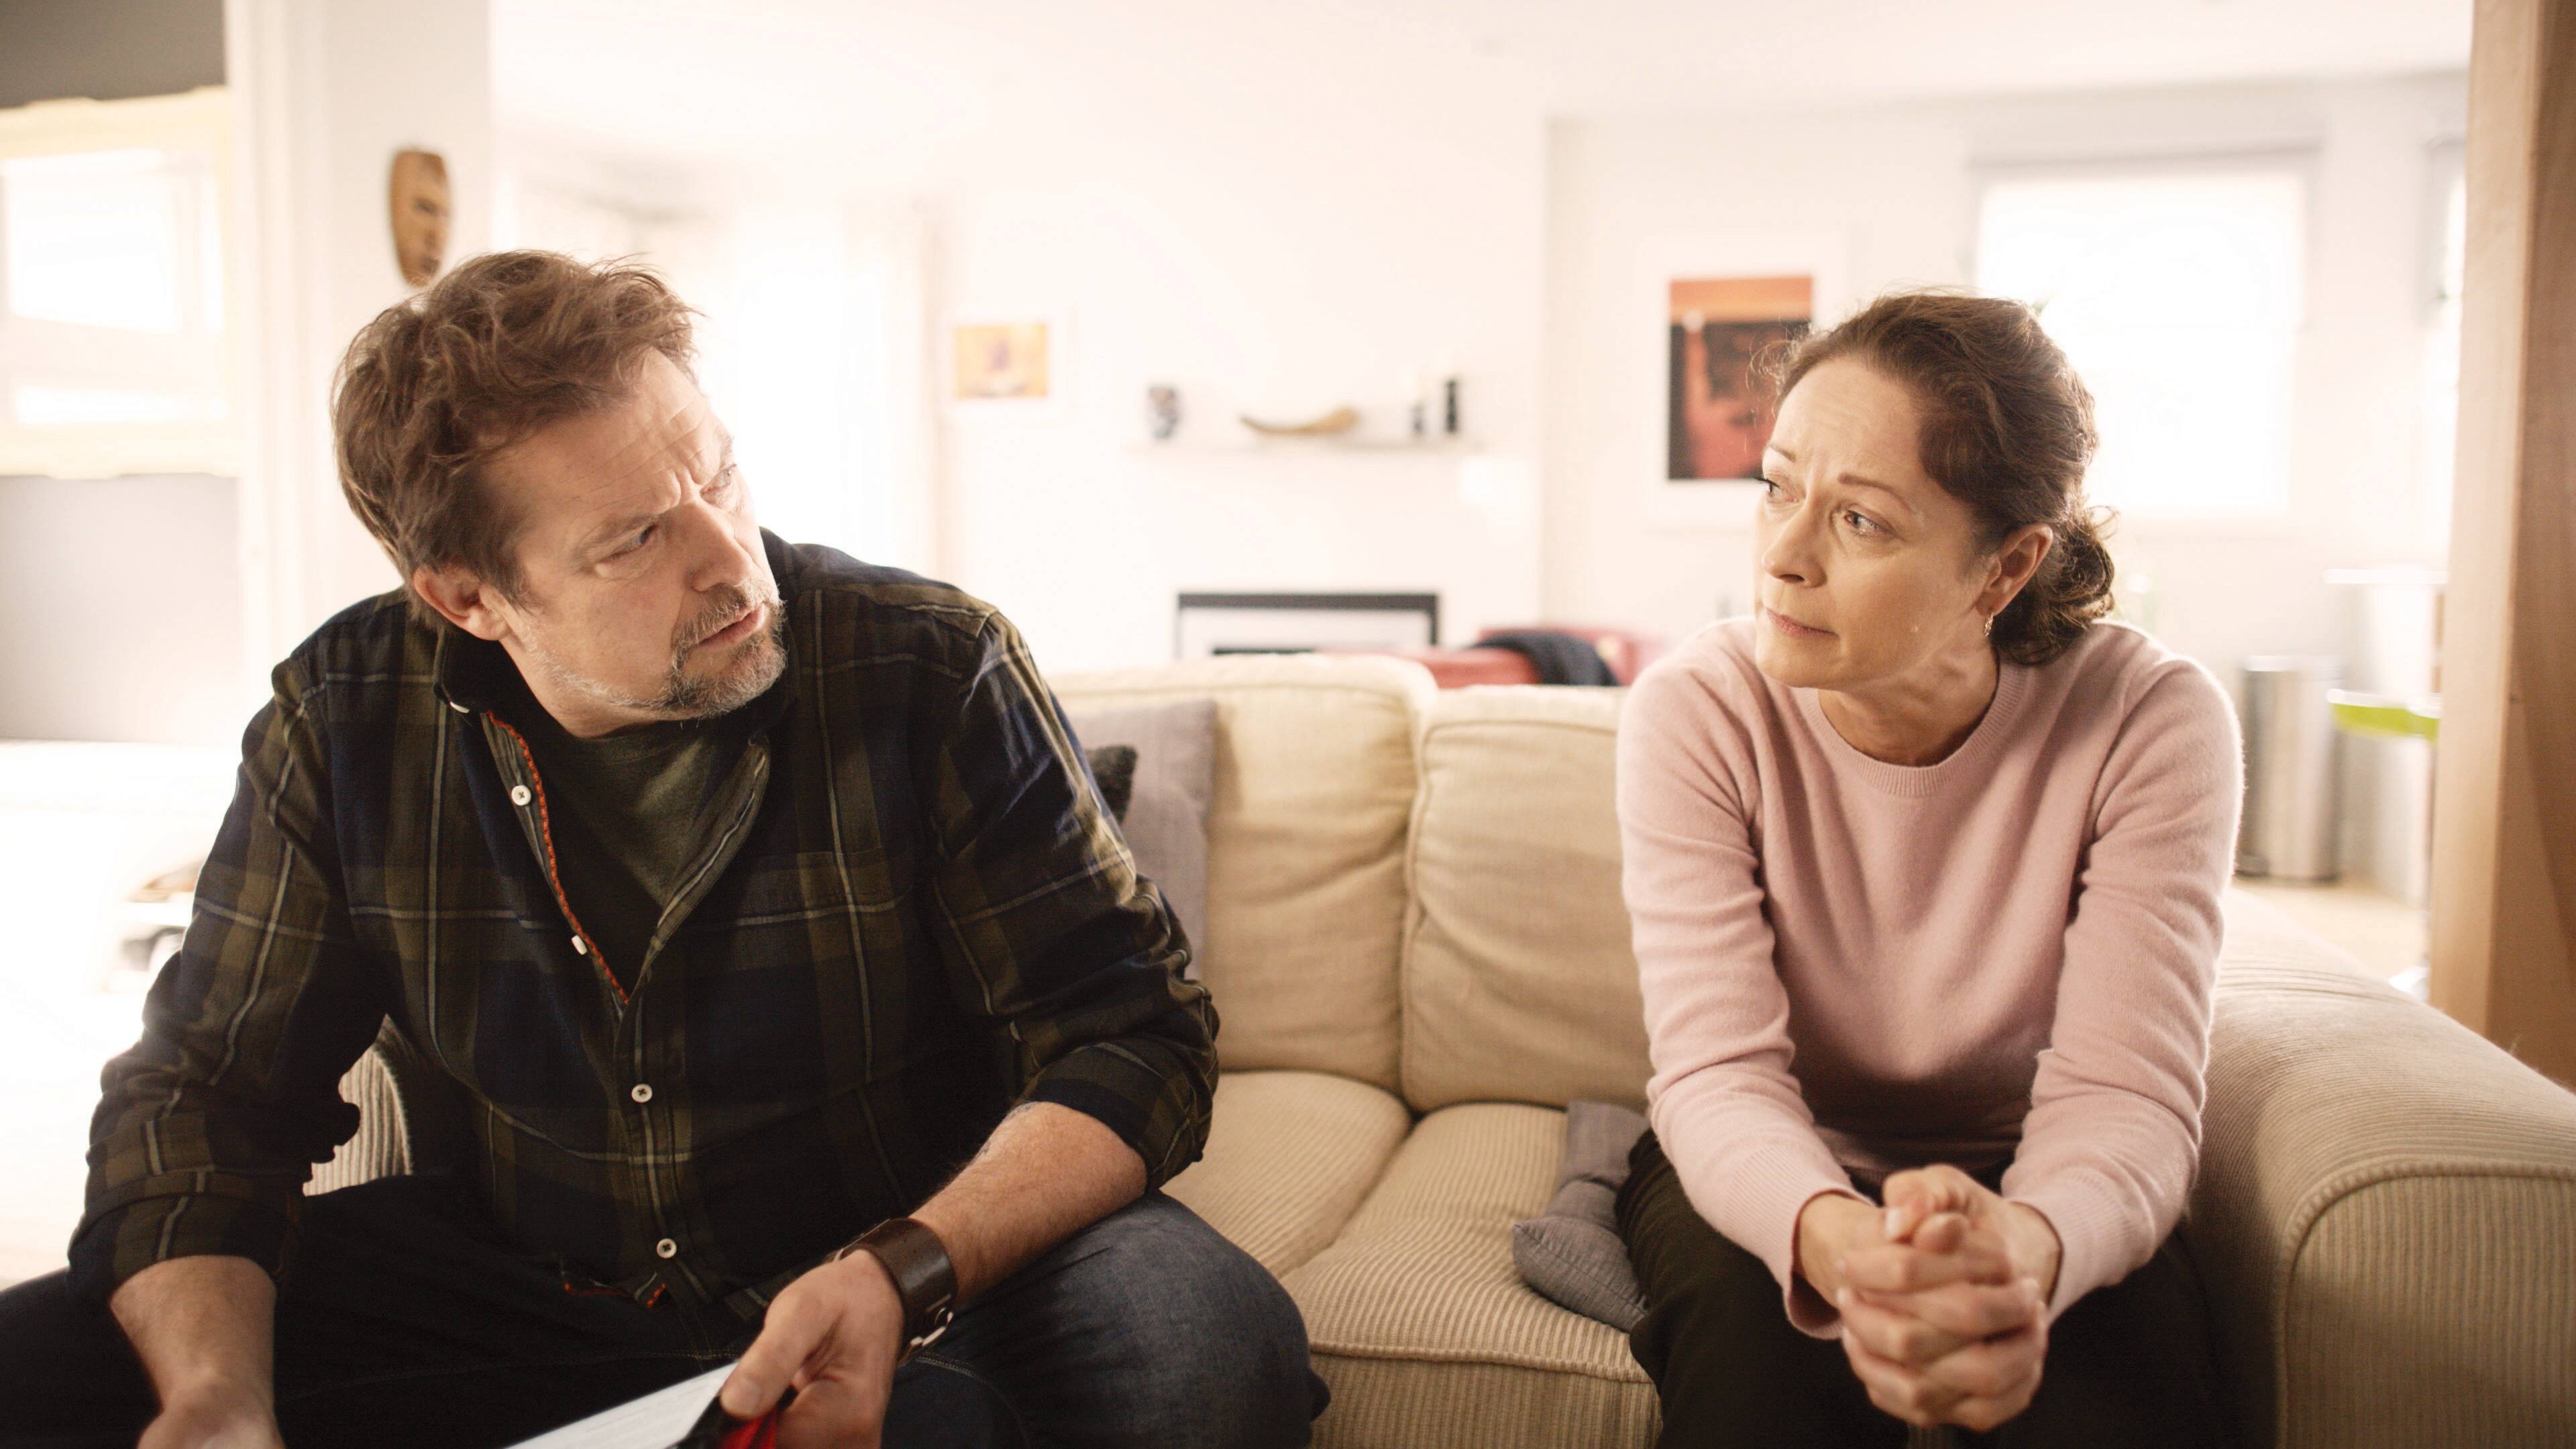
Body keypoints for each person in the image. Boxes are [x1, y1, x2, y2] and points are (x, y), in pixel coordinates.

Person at [0, 251, 1323, 1449]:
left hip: (932, 1260)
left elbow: (1131, 1034)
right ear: (469, 599)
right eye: (635, 539)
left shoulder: (930, 663)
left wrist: (902, 1269)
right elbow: (206, 1096)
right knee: (49, 1367)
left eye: (719, 477)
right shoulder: (341, 717)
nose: (730, 558)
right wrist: (217, 1398)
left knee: (1200, 1350)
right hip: (531, 1287)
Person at [1613, 290, 2239, 1446]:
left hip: (2032, 1162)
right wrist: (1850, 1249)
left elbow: (2124, 1098)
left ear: (2005, 570)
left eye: (1861, 522)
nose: (1783, 559)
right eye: (1778, 488)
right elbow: (1719, 1075)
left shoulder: (2148, 720)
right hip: (1773, 1157)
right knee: (1757, 1376)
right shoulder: (1700, 711)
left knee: (2125, 1386)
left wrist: (2024, 1252)